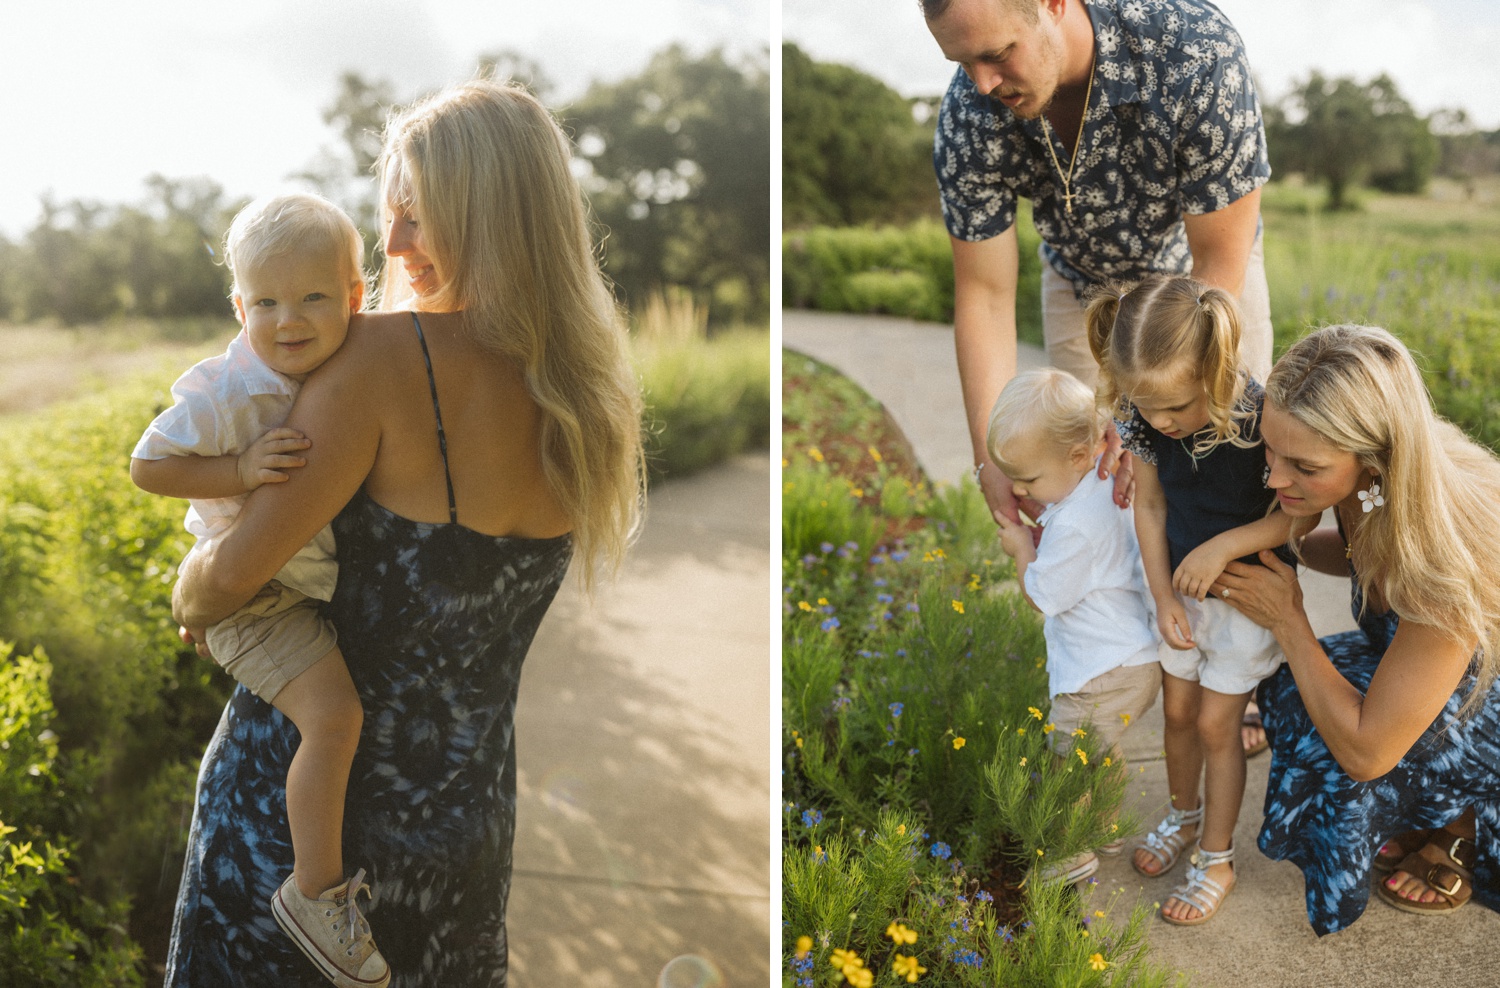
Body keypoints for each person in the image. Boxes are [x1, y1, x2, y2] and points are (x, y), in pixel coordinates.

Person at [163, 78, 645, 987]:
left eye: (418, 216)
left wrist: (192, 583)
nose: (392, 244)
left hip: (303, 849)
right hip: (467, 832)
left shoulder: (379, 361)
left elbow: (222, 585)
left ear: (492, 213)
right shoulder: (588, 398)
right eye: (392, 217)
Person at [131, 192, 388, 986]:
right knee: (335, 718)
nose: (290, 318)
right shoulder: (226, 388)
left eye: (314, 296)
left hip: (296, 589)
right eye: (266, 301)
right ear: (240, 305)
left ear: (355, 296)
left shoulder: (358, 364)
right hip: (256, 597)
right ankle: (315, 892)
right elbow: (148, 465)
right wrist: (236, 471)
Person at [921, 0, 1273, 528]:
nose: (983, 85)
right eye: (962, 63)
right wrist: (989, 457)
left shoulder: (1195, 50)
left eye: (997, 55)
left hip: (1202, 282)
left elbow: (1220, 256)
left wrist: (1136, 420)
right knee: (1089, 494)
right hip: (1081, 284)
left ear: (1054, 4)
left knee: (1229, 478)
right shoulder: (968, 118)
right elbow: (985, 296)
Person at [1211, 324, 1500, 935]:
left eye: (1303, 466)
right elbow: (1353, 554)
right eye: (1270, 450)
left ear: (1372, 456)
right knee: (1290, 693)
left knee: (1341, 757)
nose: (1273, 478)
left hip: (1488, 698)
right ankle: (1419, 814)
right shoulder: (1373, 486)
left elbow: (1368, 753)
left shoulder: (1445, 557)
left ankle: (1462, 822)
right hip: (1416, 662)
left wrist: (1289, 619)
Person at [1087, 275, 1292, 925]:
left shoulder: (1263, 420)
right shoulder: (1144, 422)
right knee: (1176, 714)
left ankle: (1215, 857)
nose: (1162, 422)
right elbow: (1149, 504)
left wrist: (1221, 547)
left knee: (1215, 726)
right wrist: (1161, 594)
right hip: (1179, 597)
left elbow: (1300, 517)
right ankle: (1183, 814)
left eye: (1176, 406)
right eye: (1147, 407)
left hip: (1243, 598)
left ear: (1216, 368)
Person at [987, 367, 1162, 886]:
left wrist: (1023, 547)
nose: (1019, 488)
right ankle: (1105, 825)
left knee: (1069, 764)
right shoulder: (1101, 489)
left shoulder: (1075, 528)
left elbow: (1042, 596)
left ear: (1079, 455)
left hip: (1096, 673)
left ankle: (1070, 851)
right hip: (1132, 661)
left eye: (1030, 479)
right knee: (1101, 753)